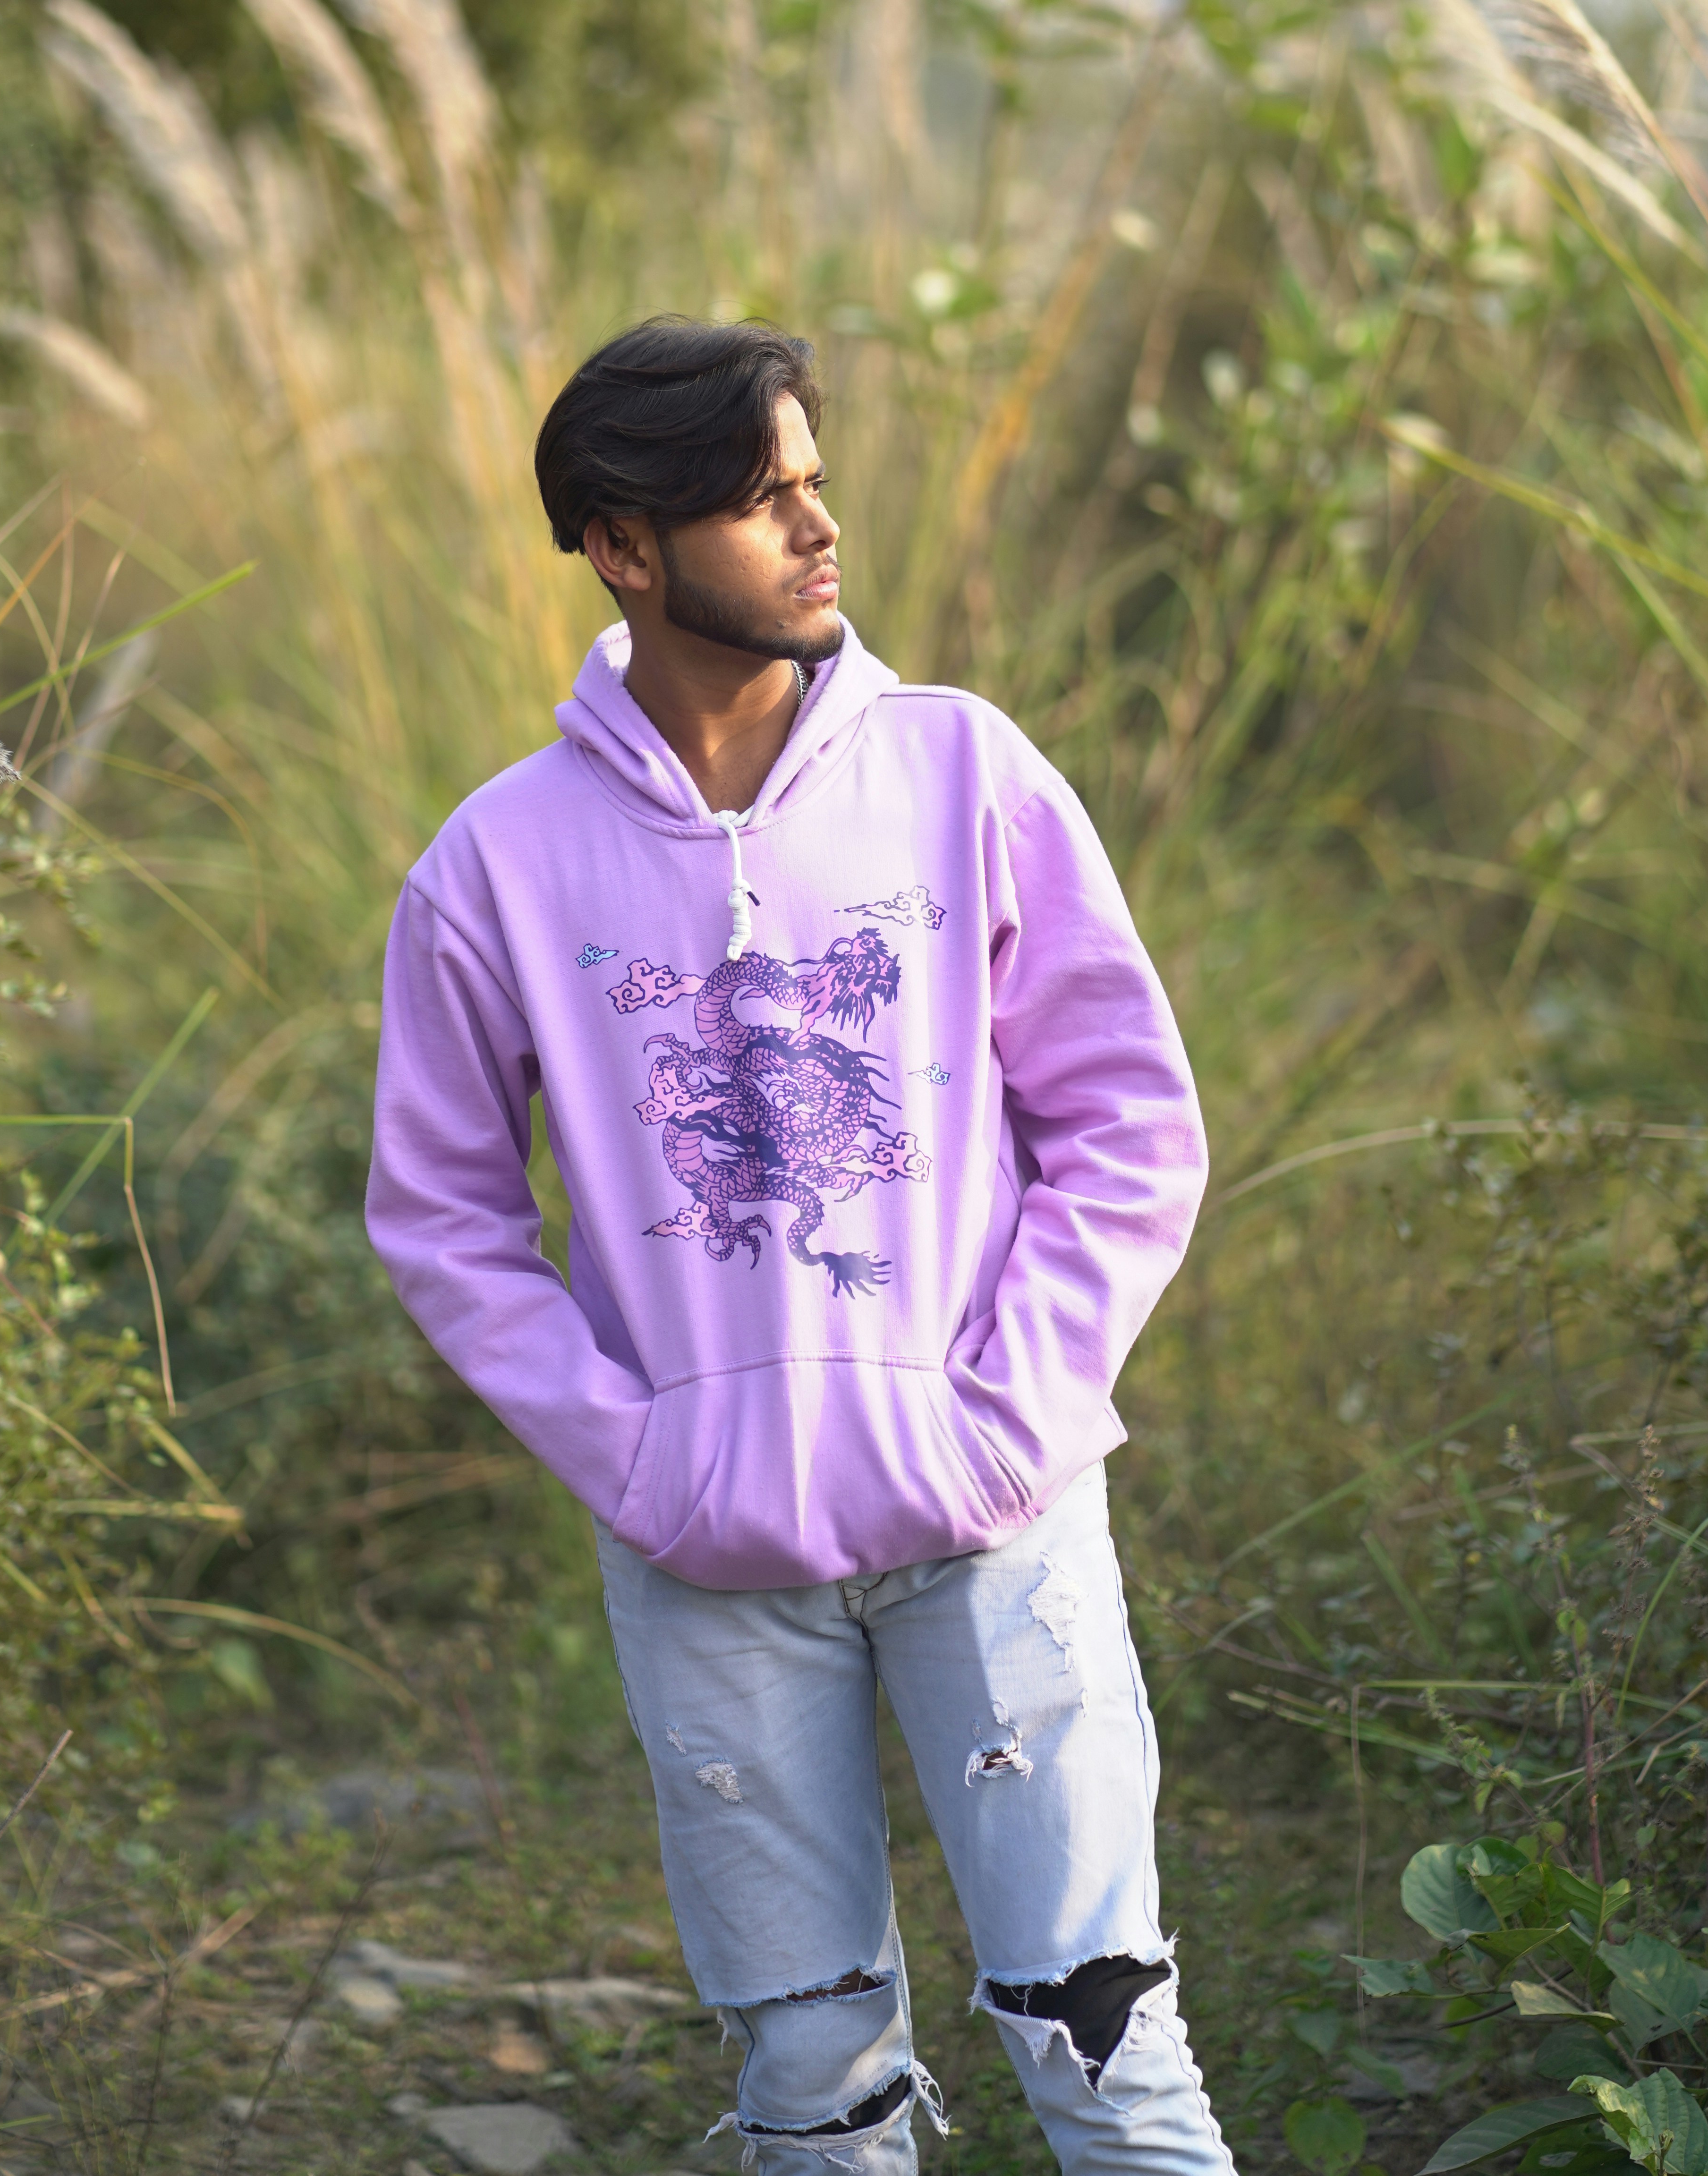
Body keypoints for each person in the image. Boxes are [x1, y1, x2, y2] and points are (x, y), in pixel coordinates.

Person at [365, 316, 1233, 2176]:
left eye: (813, 483)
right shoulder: (494, 867)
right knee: (815, 2099)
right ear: (624, 544)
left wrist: (1005, 1417)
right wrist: (642, 1459)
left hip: (994, 1534)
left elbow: (1128, 1126)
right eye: (763, 502)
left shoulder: (961, 772)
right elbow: (442, 1218)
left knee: (1107, 2054)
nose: (819, 528)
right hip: (708, 1568)